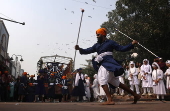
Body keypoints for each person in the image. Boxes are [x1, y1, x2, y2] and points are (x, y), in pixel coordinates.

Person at [75, 28, 140, 105]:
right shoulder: (97, 45)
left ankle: (109, 100)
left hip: (108, 63)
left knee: (101, 79)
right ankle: (135, 95)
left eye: (98, 35)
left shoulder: (110, 42)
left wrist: (131, 44)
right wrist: (79, 49)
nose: (97, 36)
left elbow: (121, 48)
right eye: (96, 35)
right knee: (117, 83)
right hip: (105, 64)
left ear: (103, 34)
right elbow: (88, 50)